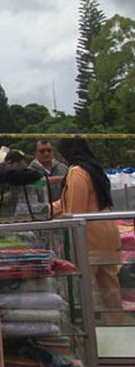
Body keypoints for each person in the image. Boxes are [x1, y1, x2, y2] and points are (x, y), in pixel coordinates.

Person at [53, 137, 122, 322]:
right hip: (107, 233)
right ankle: (119, 332)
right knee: (110, 290)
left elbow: (75, 210)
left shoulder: (76, 172)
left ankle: (86, 338)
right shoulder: (93, 168)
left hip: (90, 238)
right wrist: (48, 210)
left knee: (80, 290)